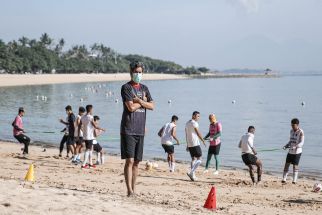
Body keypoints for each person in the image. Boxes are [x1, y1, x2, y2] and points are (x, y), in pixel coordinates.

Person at [120, 60, 154, 197]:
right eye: (136, 72)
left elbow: (152, 106)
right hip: (128, 128)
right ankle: (129, 191)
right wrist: (143, 102)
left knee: (137, 162)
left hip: (140, 129)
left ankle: (134, 189)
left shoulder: (144, 88)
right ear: (131, 72)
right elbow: (130, 107)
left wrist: (139, 101)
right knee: (130, 160)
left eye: (140, 72)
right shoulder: (126, 88)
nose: (138, 74)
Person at [79, 105, 105, 169]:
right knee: (88, 150)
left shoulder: (82, 117)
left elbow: (79, 125)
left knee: (90, 150)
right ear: (90, 110)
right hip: (89, 137)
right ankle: (83, 164)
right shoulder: (90, 117)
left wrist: (82, 131)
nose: (92, 111)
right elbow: (95, 126)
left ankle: (90, 164)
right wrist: (102, 129)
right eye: (92, 109)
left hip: (85, 136)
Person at [282, 118, 304, 184]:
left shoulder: (301, 132)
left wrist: (296, 146)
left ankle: (294, 180)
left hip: (297, 152)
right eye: (291, 125)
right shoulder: (291, 131)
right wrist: (286, 145)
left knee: (295, 165)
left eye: (293, 125)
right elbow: (290, 141)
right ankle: (284, 179)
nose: (292, 127)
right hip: (290, 151)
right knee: (286, 164)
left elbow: (302, 143)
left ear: (297, 125)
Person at [185, 111, 206, 181]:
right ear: (193, 116)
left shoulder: (187, 123)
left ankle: (193, 176)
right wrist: (203, 140)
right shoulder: (194, 123)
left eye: (199, 116)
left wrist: (187, 144)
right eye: (197, 116)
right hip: (195, 143)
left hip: (190, 144)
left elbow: (186, 134)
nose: (198, 118)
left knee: (193, 159)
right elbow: (198, 133)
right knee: (199, 159)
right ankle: (191, 172)